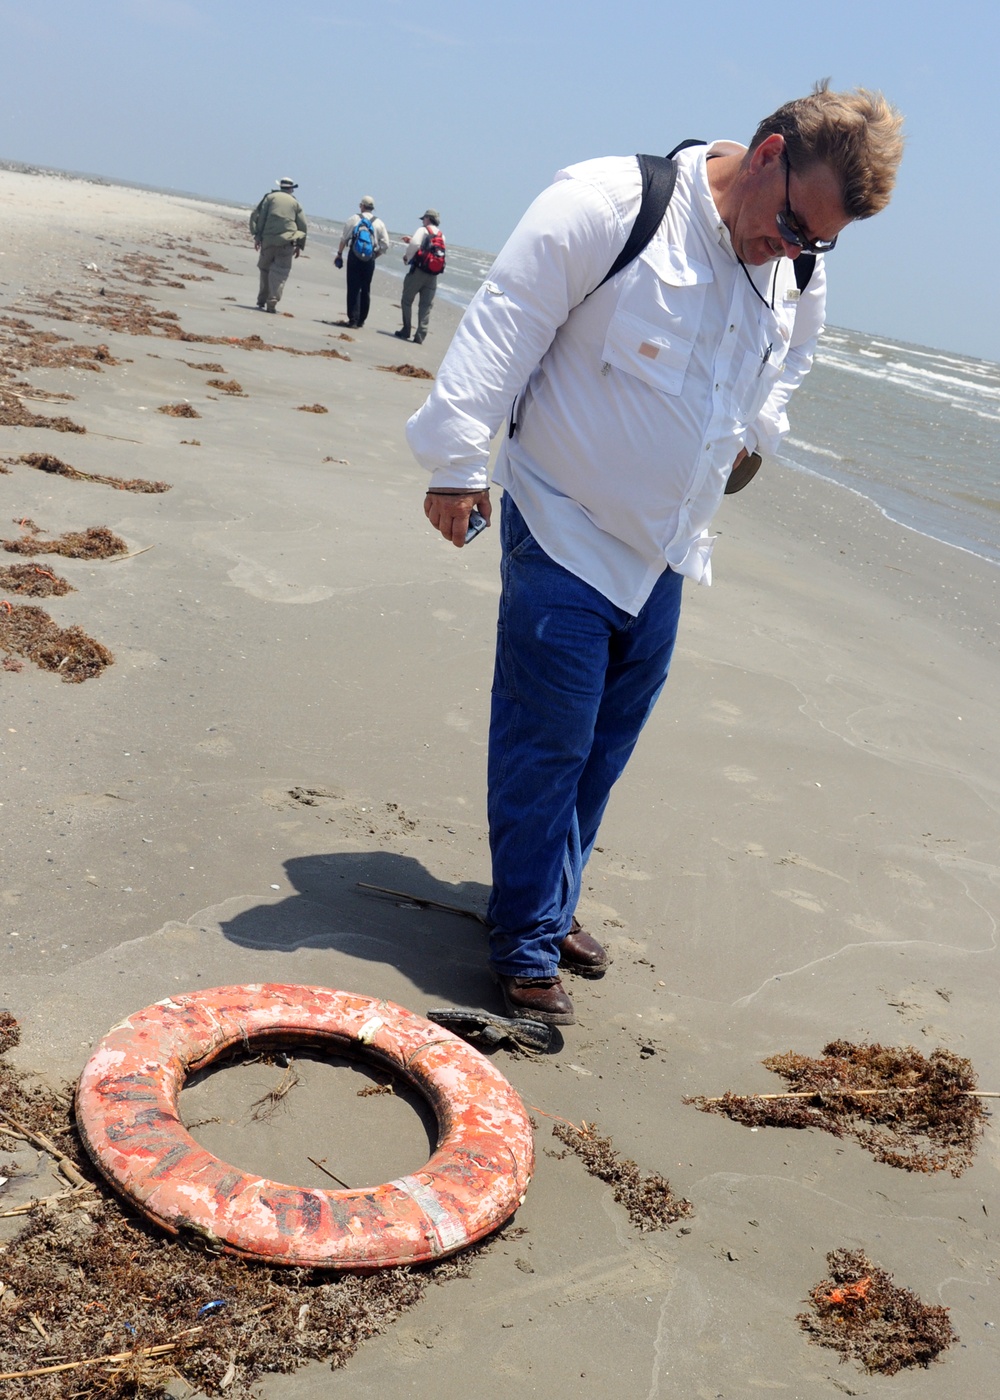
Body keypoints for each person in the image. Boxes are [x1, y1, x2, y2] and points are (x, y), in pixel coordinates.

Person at [406, 83, 904, 1025]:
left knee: (603, 752)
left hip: (670, 551)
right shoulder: (611, 205)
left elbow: (795, 354)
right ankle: (522, 946)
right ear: (766, 155)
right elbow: (505, 319)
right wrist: (455, 464)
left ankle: (549, 907)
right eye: (794, 224)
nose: (794, 250)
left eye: (818, 242)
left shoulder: (797, 264)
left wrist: (762, 428)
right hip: (564, 524)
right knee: (547, 742)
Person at [249, 177, 307, 312]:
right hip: (287, 242)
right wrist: (299, 245)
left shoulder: (269, 198)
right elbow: (302, 225)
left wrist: (257, 237)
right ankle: (273, 300)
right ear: (291, 189)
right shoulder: (295, 203)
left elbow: (259, 217)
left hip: (268, 241)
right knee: (280, 271)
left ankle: (261, 300)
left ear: (280, 187)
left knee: (265, 269)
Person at [335, 196, 389, 328]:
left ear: (362, 206)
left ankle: (353, 319)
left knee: (353, 287)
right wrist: (374, 255)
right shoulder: (379, 223)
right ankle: (361, 320)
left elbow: (344, 238)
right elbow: (385, 245)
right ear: (372, 208)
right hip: (369, 259)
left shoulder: (354, 218)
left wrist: (340, 254)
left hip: (354, 256)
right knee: (365, 288)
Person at [395, 209, 445, 344]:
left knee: (407, 300)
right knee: (426, 305)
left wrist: (407, 257)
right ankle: (420, 335)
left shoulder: (422, 230)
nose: (423, 221)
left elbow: (416, 244)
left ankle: (406, 330)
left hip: (418, 271)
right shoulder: (441, 235)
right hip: (433, 275)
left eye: (424, 219)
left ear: (428, 219)